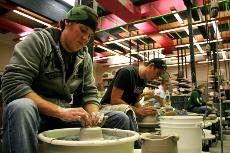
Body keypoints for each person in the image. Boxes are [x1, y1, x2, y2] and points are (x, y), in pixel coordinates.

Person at [1, 5, 130, 153]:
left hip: (63, 118)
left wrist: (93, 114)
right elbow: (14, 85)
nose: (85, 39)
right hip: (35, 116)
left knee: (119, 118)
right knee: (21, 106)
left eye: (89, 35)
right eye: (83, 30)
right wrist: (60, 111)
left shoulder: (85, 57)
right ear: (67, 22)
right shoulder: (39, 41)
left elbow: (89, 93)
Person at [100, 58, 167, 148]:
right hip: (107, 107)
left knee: (146, 113)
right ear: (151, 66)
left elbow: (135, 103)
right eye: (158, 73)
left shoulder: (143, 81)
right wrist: (138, 110)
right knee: (128, 111)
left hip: (125, 108)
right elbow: (114, 100)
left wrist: (144, 110)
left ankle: (145, 140)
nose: (158, 77)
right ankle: (138, 146)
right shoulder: (126, 73)